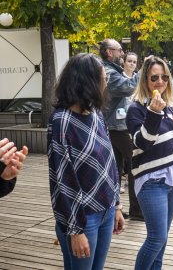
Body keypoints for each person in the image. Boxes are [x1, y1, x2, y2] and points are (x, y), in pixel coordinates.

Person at [48, 53, 125, 270]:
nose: (105, 84)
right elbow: (62, 181)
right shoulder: (61, 121)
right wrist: (75, 230)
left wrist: (116, 205)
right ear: (88, 81)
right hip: (82, 219)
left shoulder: (96, 113)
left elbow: (109, 164)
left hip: (106, 210)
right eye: (103, 78)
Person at [126, 55, 173, 270]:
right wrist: (153, 112)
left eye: (164, 77)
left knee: (162, 240)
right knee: (156, 238)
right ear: (145, 80)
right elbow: (143, 142)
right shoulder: (136, 109)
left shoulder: (168, 107)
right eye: (154, 78)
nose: (160, 82)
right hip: (152, 181)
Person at [99, 39, 142, 221]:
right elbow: (128, 87)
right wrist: (143, 71)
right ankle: (136, 211)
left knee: (115, 169)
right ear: (109, 52)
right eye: (119, 50)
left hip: (115, 126)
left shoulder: (111, 70)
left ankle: (114, 207)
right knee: (136, 164)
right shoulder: (108, 71)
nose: (122, 54)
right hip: (118, 128)